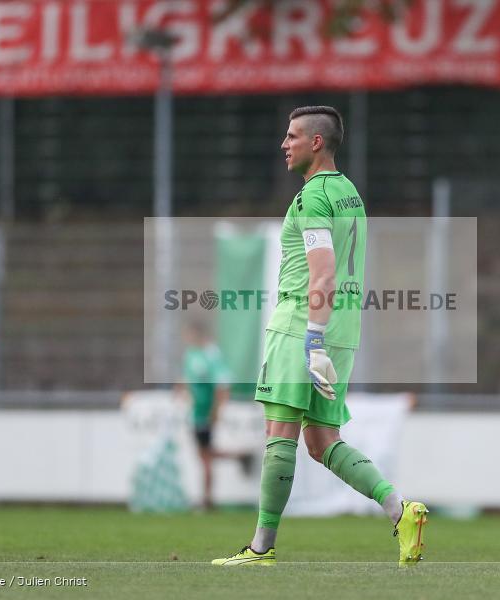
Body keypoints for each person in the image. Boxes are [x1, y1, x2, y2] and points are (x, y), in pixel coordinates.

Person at [212, 106, 427, 567]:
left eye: (292, 136)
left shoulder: (312, 197)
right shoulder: (349, 193)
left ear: (316, 142)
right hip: (344, 330)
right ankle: (400, 509)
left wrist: (311, 340)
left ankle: (260, 548)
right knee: (322, 440)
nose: (283, 144)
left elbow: (323, 274)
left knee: (280, 434)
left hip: (301, 326)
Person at [178, 320, 249, 510]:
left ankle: (207, 499)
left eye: (189, 334)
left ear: (197, 333)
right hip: (195, 413)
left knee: (205, 457)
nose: (187, 338)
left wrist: (216, 411)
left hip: (206, 413)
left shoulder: (211, 355)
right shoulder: (191, 355)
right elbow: (188, 380)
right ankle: (238, 456)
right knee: (204, 454)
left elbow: (222, 385)